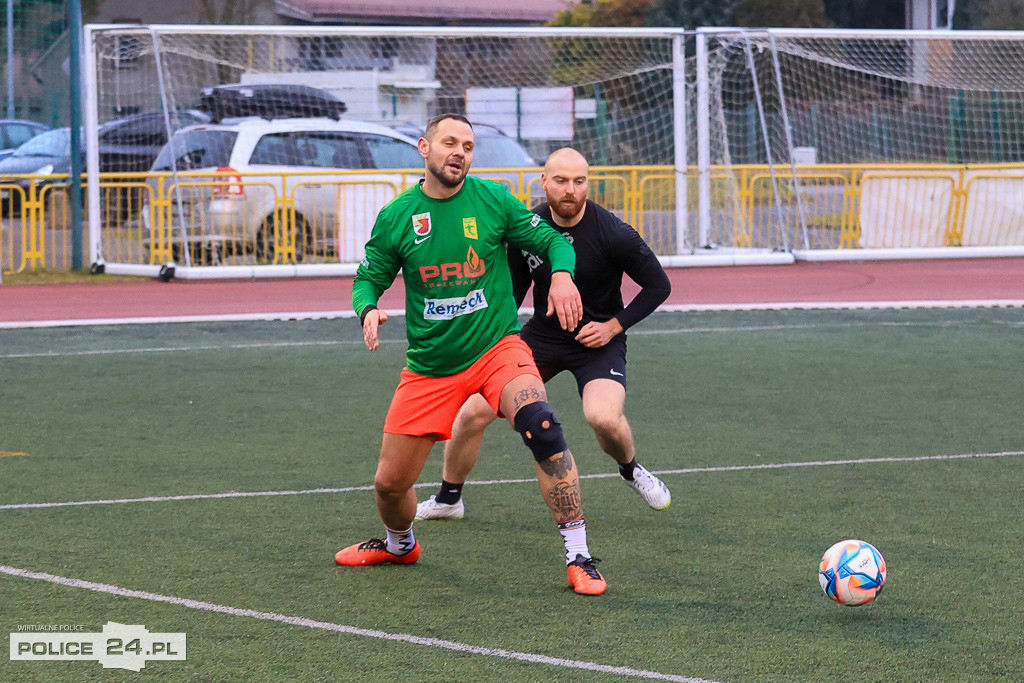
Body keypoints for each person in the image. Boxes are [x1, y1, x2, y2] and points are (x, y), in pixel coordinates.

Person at [334, 115, 607, 596]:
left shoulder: (493, 199)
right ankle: (400, 545)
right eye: (449, 143)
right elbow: (368, 276)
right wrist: (368, 309)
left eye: (468, 145)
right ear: (424, 148)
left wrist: (561, 274)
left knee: (542, 425)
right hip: (431, 366)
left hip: (497, 348)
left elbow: (549, 240)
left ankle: (579, 555)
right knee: (390, 486)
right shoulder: (398, 215)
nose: (459, 152)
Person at [416, 147, 672, 523]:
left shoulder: (614, 233)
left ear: (588, 184)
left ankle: (631, 468)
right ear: (544, 182)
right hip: (542, 338)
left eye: (579, 182)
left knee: (602, 418)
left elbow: (658, 286)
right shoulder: (527, 227)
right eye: (562, 181)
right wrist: (497, 342)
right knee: (470, 413)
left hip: (596, 341)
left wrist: (613, 327)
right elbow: (512, 292)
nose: (571, 190)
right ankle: (448, 499)